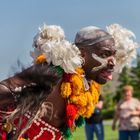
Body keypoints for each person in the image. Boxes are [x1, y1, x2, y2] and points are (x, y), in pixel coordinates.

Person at [0, 24, 137, 140]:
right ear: (82, 54)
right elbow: (4, 88)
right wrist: (9, 130)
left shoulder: (91, 83)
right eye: (105, 54)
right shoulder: (55, 71)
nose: (113, 62)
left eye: (113, 54)